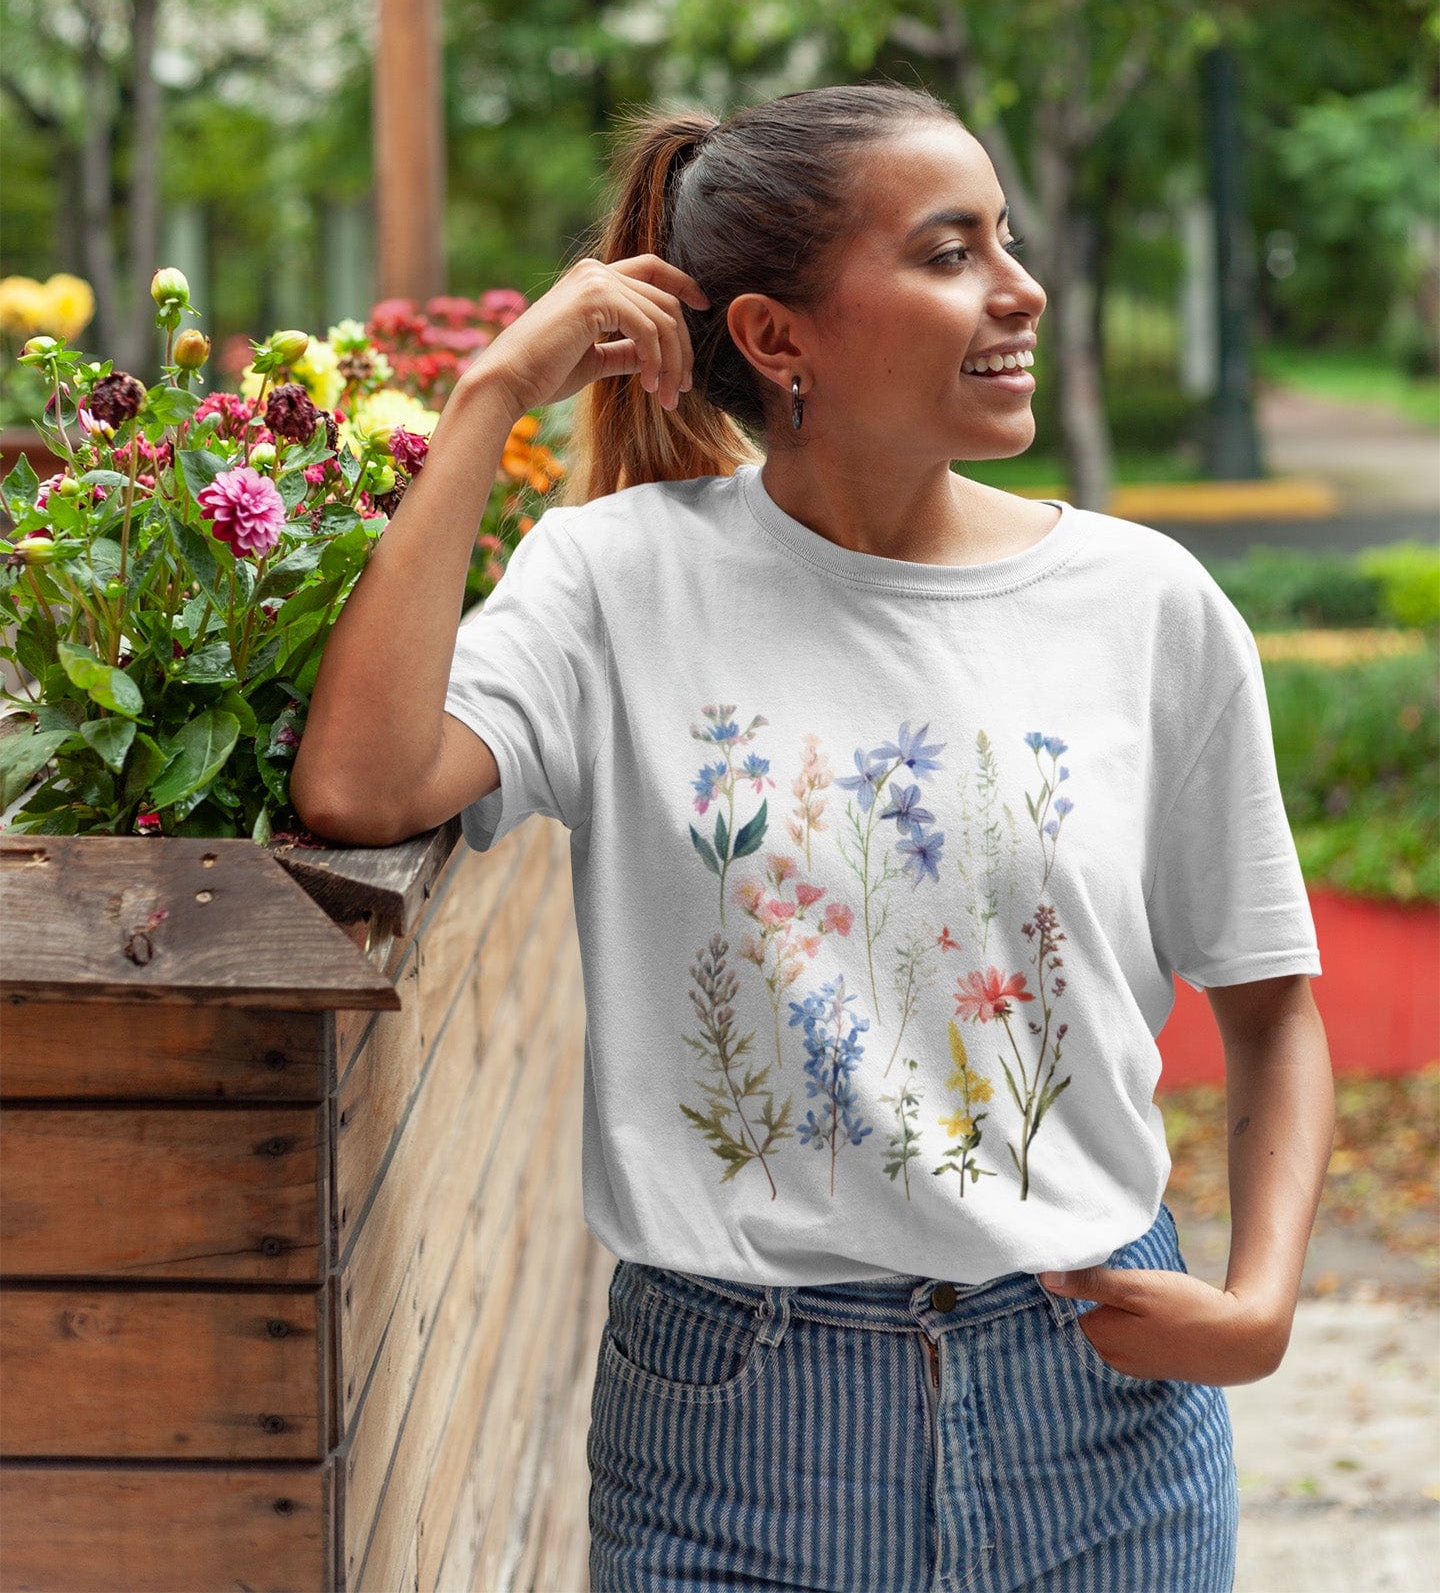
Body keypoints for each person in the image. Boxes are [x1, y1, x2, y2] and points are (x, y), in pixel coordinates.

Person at [293, 79, 1335, 1593]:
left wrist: (1263, 1299)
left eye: (1006, 239)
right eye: (949, 251)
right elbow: (363, 787)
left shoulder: (1147, 606)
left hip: (1099, 1412)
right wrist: (488, 397)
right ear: (779, 338)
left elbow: (1269, 998)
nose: (1019, 287)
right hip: (733, 1434)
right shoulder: (614, 584)